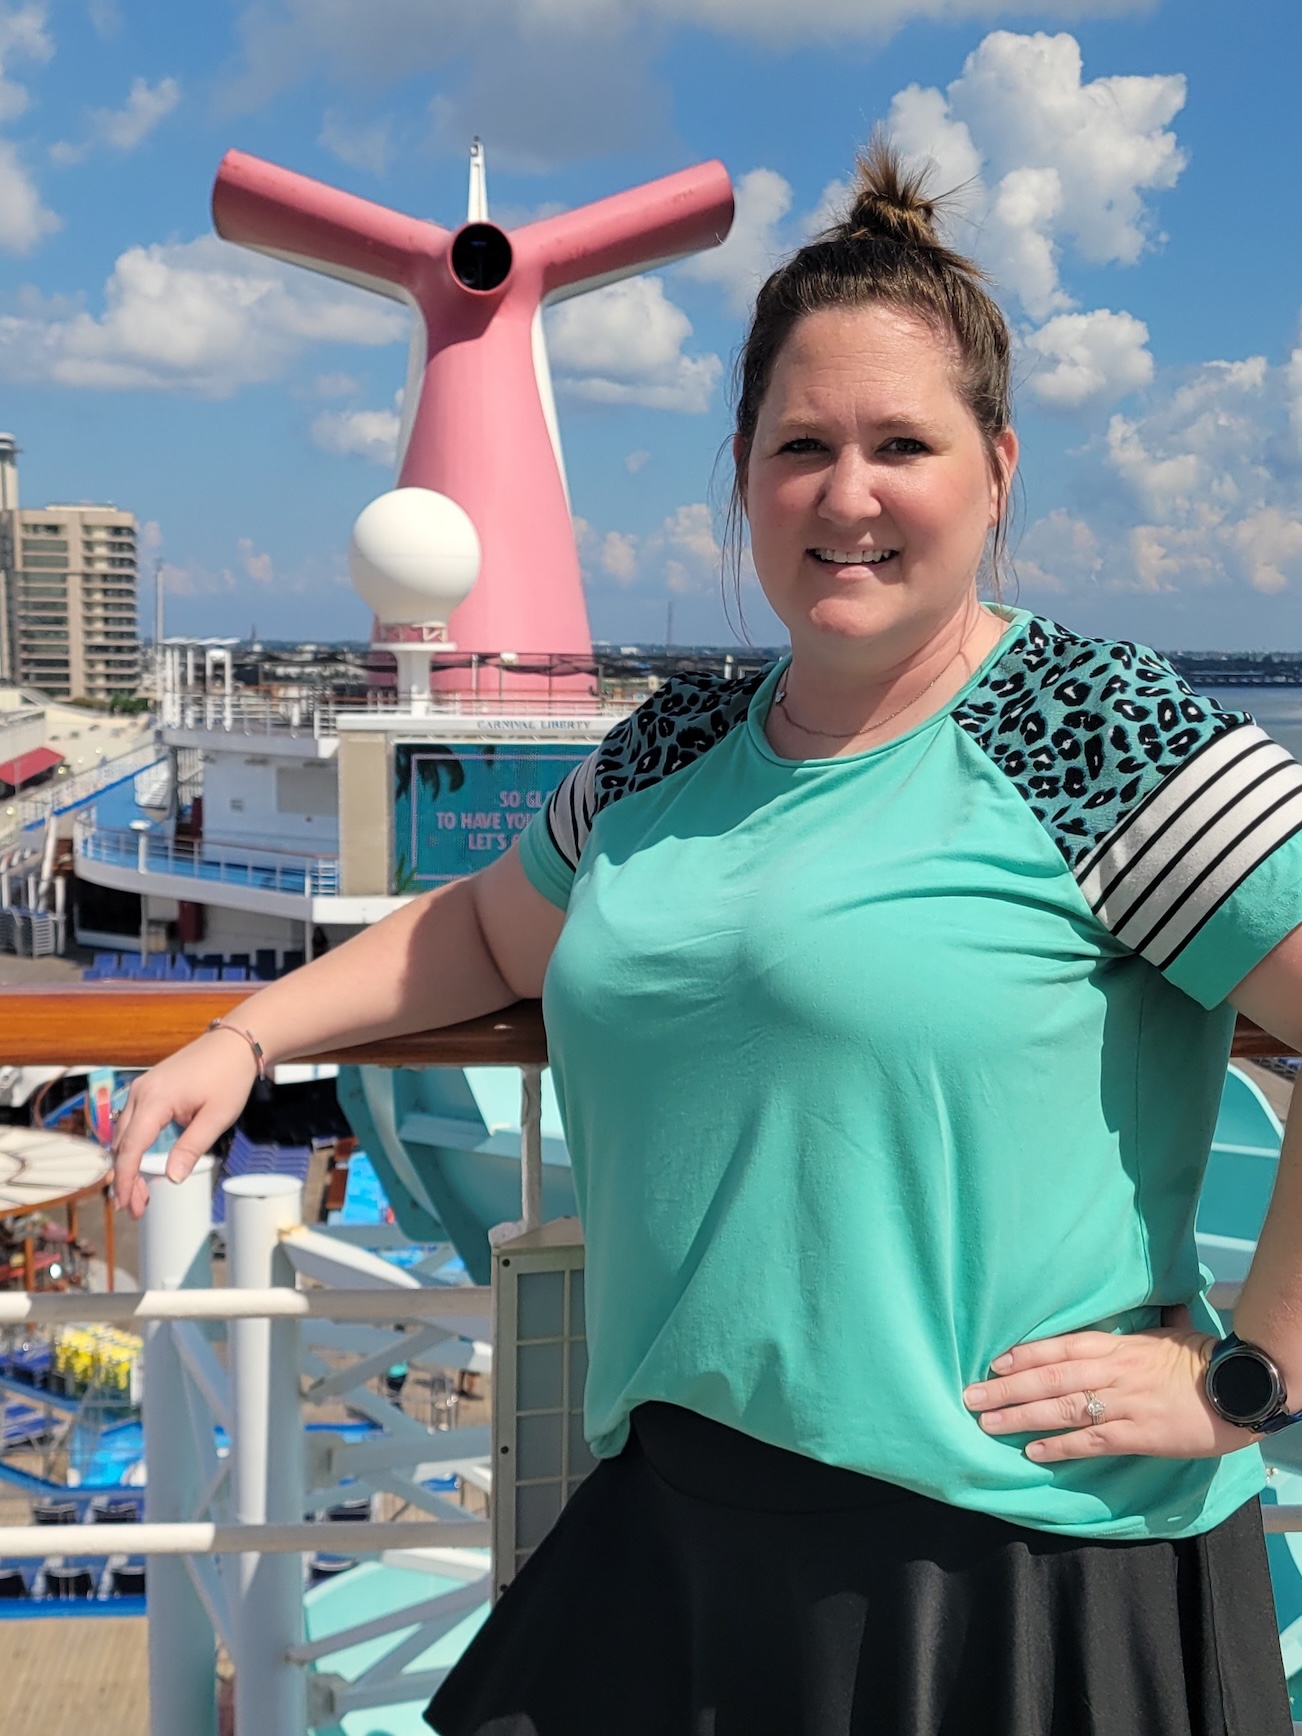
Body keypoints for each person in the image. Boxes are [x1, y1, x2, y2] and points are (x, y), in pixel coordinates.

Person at [111, 140, 1302, 1736]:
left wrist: (1249, 1379)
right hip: (683, 1517)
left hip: (1012, 1570)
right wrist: (245, 1034)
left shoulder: (1088, 731)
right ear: (743, 473)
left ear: (996, 470)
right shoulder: (673, 749)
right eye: (801, 444)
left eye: (903, 443)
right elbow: (481, 936)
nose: (847, 493)